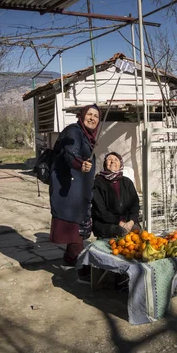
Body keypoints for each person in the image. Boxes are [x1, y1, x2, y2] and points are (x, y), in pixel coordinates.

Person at [49, 104, 100, 284]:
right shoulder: (74, 132)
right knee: (75, 228)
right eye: (89, 114)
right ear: (82, 116)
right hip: (69, 188)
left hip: (79, 189)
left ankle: (70, 260)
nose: (92, 118)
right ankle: (81, 269)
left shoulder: (88, 135)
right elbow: (70, 152)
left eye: (96, 116)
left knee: (77, 226)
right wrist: (79, 163)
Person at [91, 152, 141, 238]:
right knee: (122, 233)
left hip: (127, 221)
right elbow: (100, 211)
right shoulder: (97, 182)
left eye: (116, 160)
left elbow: (135, 204)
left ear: (120, 164)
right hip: (106, 223)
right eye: (109, 159)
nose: (113, 161)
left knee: (139, 233)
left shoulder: (127, 182)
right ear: (105, 164)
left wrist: (131, 221)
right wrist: (119, 222)